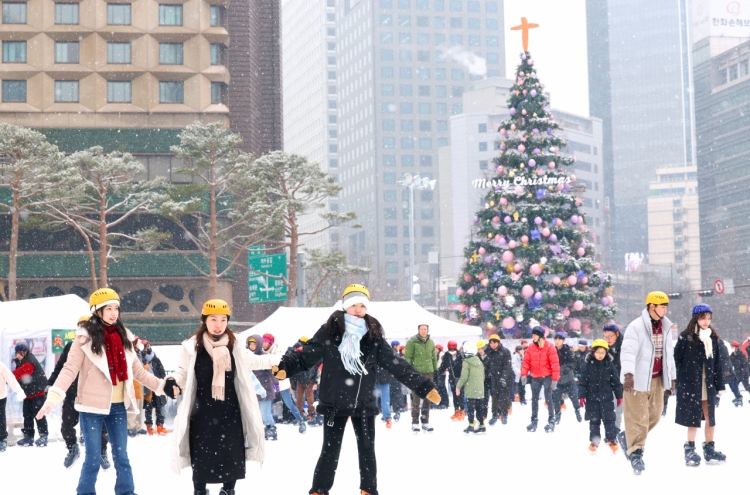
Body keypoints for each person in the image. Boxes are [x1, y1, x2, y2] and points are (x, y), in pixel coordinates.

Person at [276, 284, 440, 495]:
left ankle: (368, 490)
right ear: (345, 306)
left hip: (363, 404)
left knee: (367, 451)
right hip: (334, 404)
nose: (359, 309)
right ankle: (319, 490)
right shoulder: (329, 331)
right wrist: (285, 366)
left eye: (363, 305)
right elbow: (306, 354)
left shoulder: (373, 337)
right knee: (329, 451)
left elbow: (396, 364)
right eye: (354, 304)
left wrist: (423, 386)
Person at [38, 288, 166, 495]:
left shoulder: (124, 338)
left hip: (118, 407)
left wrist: (163, 386)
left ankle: (126, 492)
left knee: (122, 457)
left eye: (116, 308)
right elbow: (69, 370)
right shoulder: (83, 339)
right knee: (93, 459)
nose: (114, 313)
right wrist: (53, 397)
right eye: (108, 308)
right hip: (91, 407)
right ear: (97, 311)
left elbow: (139, 373)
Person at [163, 299, 280, 495]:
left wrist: (279, 360)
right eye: (213, 319)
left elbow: (254, 361)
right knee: (200, 454)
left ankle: (228, 490)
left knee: (231, 453)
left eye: (223, 320)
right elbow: (182, 372)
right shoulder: (191, 347)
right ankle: (199, 490)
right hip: (201, 411)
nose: (219, 325)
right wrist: (172, 381)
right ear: (204, 320)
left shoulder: (235, 345)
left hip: (230, 410)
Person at [618, 291, 677, 475]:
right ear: (651, 306)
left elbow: (668, 356)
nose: (665, 309)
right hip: (637, 380)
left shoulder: (666, 327)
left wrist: (671, 378)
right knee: (638, 417)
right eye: (662, 306)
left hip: (657, 380)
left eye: (666, 306)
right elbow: (627, 351)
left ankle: (628, 436)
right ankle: (636, 452)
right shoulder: (635, 327)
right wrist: (628, 373)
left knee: (655, 415)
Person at [48, 315, 110, 468]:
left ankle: (102, 452)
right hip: (72, 394)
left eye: (86, 325)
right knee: (66, 425)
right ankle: (72, 448)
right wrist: (51, 384)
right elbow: (62, 367)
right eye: (80, 326)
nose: (83, 328)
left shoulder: (99, 344)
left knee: (99, 427)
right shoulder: (71, 346)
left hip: (92, 394)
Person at [674, 304, 726, 466]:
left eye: (709, 318)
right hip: (691, 385)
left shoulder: (713, 338)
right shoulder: (685, 337)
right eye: (703, 318)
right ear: (696, 318)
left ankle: (709, 448)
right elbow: (676, 360)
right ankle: (689, 448)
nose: (706, 321)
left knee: (710, 417)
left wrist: (720, 385)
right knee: (693, 417)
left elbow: (718, 364)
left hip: (707, 384)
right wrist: (676, 381)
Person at [579, 339, 623, 453]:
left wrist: (619, 395)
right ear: (593, 352)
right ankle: (594, 440)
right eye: (598, 352)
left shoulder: (610, 366)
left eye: (603, 352)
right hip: (592, 399)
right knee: (594, 421)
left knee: (609, 421)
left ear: (606, 353)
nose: (600, 355)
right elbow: (583, 382)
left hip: (607, 399)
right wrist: (581, 396)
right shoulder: (588, 366)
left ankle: (612, 440)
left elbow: (616, 382)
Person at [520, 326, 560, 432]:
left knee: (548, 397)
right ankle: (534, 420)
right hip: (535, 377)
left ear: (540, 336)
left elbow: (555, 364)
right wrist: (524, 374)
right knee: (534, 399)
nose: (532, 337)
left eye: (534, 335)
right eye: (532, 335)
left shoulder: (550, 347)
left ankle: (551, 420)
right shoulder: (530, 348)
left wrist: (555, 379)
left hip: (547, 376)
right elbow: (526, 362)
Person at [12, 342, 49, 447]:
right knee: (27, 415)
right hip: (28, 393)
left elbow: (19, 373)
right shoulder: (22, 361)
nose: (18, 355)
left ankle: (43, 435)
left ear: (26, 352)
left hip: (38, 392)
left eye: (20, 353)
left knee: (39, 415)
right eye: (17, 353)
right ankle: (28, 437)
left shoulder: (29, 362)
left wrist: (7, 377)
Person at [404, 323, 438, 433]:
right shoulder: (412, 342)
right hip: (416, 373)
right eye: (421, 329)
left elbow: (434, 357)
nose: (423, 331)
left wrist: (435, 369)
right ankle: (415, 423)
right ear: (418, 330)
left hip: (429, 373)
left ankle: (425, 421)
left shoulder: (431, 342)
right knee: (416, 398)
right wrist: (409, 371)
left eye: (425, 329)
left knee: (428, 398)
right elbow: (408, 357)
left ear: (428, 330)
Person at [246, 334, 278, 441]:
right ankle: (258, 431)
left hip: (265, 389)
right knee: (255, 413)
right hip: (252, 390)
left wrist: (276, 384)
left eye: (254, 343)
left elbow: (272, 372)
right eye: (250, 343)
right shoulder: (246, 356)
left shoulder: (264, 356)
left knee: (265, 412)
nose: (252, 346)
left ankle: (271, 428)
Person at [279, 337, 307, 433]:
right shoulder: (291, 351)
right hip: (270, 383)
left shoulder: (279, 353)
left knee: (290, 402)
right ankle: (268, 424)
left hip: (282, 382)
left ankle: (300, 420)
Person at [483, 334, 513, 425]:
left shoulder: (505, 351)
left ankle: (504, 414)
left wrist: (503, 377)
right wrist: (487, 372)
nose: (493, 344)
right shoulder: (488, 352)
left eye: (495, 342)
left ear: (499, 342)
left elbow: (507, 366)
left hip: (506, 377)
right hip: (494, 377)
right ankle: (494, 415)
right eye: (491, 343)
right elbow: (486, 364)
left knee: (505, 396)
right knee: (494, 396)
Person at [553, 332, 582, 424]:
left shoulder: (568, 350)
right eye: (556, 339)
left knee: (574, 397)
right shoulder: (552, 350)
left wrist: (567, 368)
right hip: (557, 379)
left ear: (563, 340)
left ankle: (577, 411)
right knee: (556, 398)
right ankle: (557, 414)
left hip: (568, 378)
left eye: (559, 339)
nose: (557, 341)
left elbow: (574, 362)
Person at [458, 341, 486, 434]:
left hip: (471, 389)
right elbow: (483, 376)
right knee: (479, 408)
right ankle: (482, 425)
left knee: (470, 408)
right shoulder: (479, 361)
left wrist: (458, 387)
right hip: (480, 390)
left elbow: (464, 377)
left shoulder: (466, 362)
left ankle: (471, 424)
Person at [140, 340, 167, 436]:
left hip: (157, 385)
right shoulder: (140, 359)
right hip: (146, 385)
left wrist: (163, 382)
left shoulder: (155, 359)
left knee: (159, 405)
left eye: (147, 346)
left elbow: (162, 371)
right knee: (148, 407)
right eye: (145, 346)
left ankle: (160, 425)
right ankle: (149, 426)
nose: (147, 348)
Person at [0, 358, 25, 452]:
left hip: (0, 395)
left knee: (1, 417)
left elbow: (11, 379)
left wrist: (19, 391)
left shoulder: (1, 366)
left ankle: (2, 439)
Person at [602, 323, 624, 429]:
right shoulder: (604, 348)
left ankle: (616, 428)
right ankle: (612, 428)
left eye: (610, 336)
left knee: (619, 406)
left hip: (624, 380)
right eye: (605, 337)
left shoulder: (625, 345)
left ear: (617, 334)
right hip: (609, 381)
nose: (608, 339)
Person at [439, 340, 465, 420]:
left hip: (460, 378)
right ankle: (456, 410)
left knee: (460, 395)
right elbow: (443, 365)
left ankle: (462, 411)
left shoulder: (461, 355)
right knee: (454, 395)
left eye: (453, 349)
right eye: (450, 349)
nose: (452, 351)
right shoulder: (447, 355)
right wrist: (439, 372)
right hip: (452, 378)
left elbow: (464, 366)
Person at [127, 335, 146, 437]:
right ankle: (130, 427)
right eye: (139, 342)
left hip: (139, 383)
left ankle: (138, 426)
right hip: (133, 383)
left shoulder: (139, 354)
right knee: (133, 405)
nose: (141, 344)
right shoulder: (131, 353)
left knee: (139, 405)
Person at [715, 338, 741, 408]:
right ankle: (738, 397)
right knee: (731, 383)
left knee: (719, 384)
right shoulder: (721, 345)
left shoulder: (721, 346)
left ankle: (716, 400)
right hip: (725, 368)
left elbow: (725, 358)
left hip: (724, 369)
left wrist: (726, 369)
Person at [374, 364, 393, 428]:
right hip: (374, 379)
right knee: (373, 401)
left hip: (385, 379)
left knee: (385, 401)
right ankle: (372, 417)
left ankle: (387, 417)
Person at [433, 344, 449, 409]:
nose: (435, 350)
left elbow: (441, 364)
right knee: (438, 387)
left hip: (441, 373)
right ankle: (440, 402)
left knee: (441, 387)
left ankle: (444, 402)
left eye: (436, 349)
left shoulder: (442, 355)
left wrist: (438, 370)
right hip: (437, 373)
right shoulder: (435, 355)